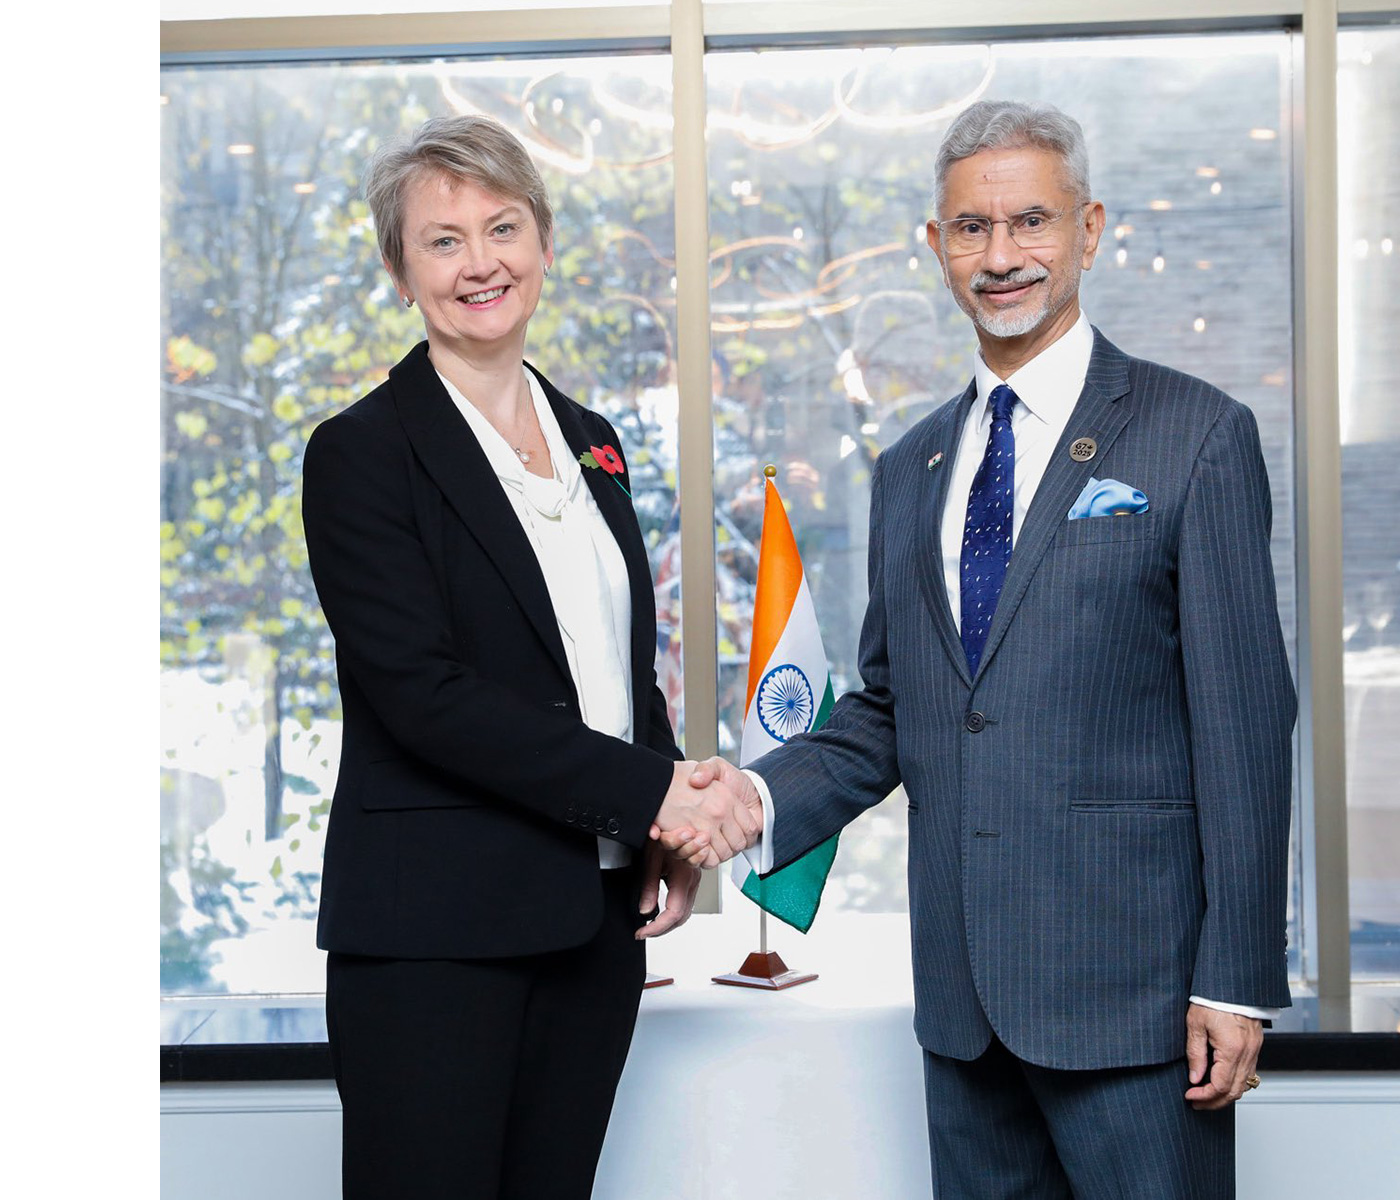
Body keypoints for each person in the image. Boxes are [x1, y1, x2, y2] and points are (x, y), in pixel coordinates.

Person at [672, 100, 1296, 1198]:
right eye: (970, 228)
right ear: (935, 244)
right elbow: (891, 707)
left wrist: (1236, 979)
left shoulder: (1194, 433)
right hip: (964, 1012)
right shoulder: (909, 466)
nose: (999, 256)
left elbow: (1247, 723)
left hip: (1141, 1010)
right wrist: (752, 800)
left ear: (1089, 230)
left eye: (1030, 222)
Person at [300, 115, 756, 1200]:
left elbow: (610, 662)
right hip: (434, 938)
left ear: (544, 243)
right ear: (398, 269)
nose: (480, 263)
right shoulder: (360, 453)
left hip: (587, 921)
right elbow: (426, 698)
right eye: (442, 240)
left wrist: (667, 830)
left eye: (502, 228)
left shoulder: (592, 436)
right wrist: (658, 794)